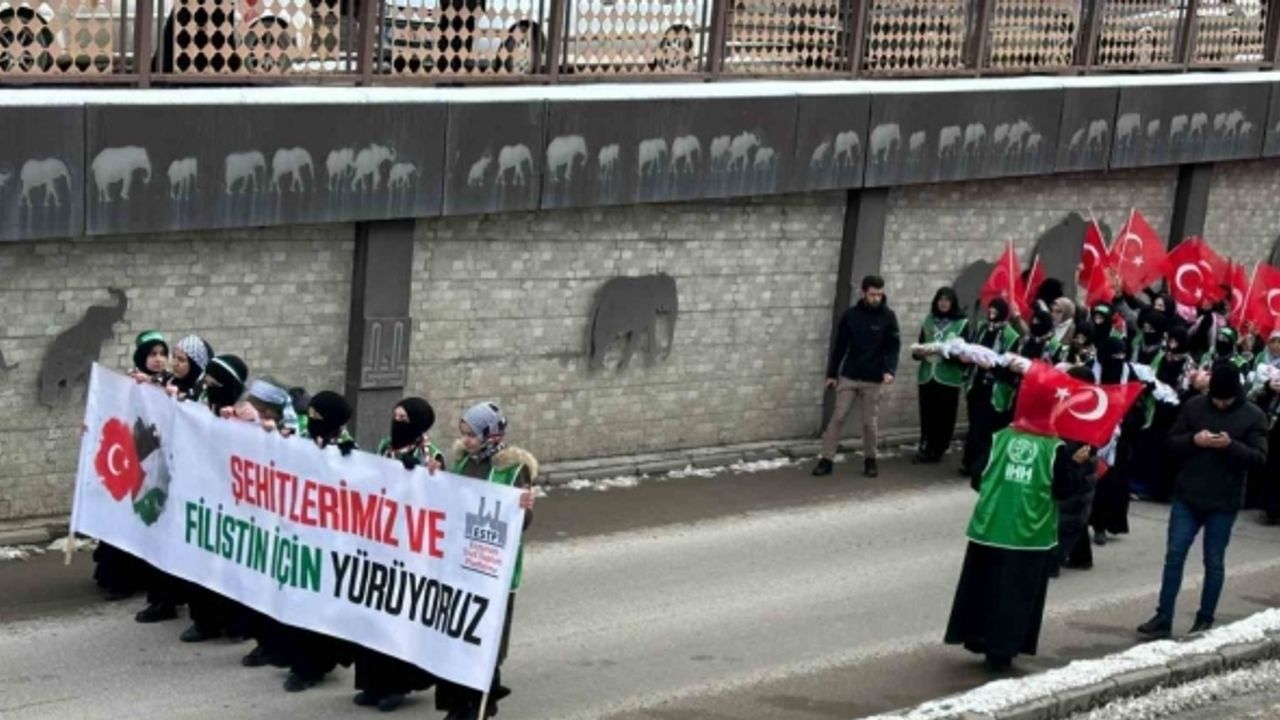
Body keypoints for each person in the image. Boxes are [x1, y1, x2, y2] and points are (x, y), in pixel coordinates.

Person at [1138, 362, 1268, 639]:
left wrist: (1231, 445)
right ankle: (1163, 616)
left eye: (1226, 400)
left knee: (1214, 560)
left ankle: (1205, 618)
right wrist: (1194, 440)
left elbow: (1259, 458)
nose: (1220, 404)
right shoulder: (1195, 406)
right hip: (1188, 494)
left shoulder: (1253, 415)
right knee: (1175, 555)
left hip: (1224, 500)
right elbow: (1171, 442)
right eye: (1216, 399)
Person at [945, 425, 1088, 670]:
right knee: (1015, 595)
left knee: (984, 588)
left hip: (991, 526)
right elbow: (1063, 490)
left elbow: (978, 478)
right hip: (1029, 534)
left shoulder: (999, 438)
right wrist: (1075, 464)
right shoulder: (1054, 448)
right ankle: (1001, 652)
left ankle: (979, 638)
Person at [434, 402, 537, 720]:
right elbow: (449, 500)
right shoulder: (463, 463)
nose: (466, 440)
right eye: (463, 433)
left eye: (472, 435)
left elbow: (521, 522)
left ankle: (480, 701)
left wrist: (525, 508)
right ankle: (457, 703)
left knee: (484, 636)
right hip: (461, 562)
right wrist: (433, 478)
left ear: (491, 434)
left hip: (493, 568)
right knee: (457, 632)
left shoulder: (513, 470)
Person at [352, 397, 446, 712]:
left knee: (398, 618)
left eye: (404, 419)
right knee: (373, 614)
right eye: (395, 416)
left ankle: (396, 685)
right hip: (380, 539)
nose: (397, 423)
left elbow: (440, 497)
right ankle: (372, 682)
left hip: (409, 548)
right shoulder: (385, 446)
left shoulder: (431, 455)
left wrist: (421, 475)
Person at [277, 390, 358, 692]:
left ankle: (313, 666)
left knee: (319, 606)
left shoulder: (348, 452)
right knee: (298, 601)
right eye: (309, 415)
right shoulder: (301, 443)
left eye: (318, 418)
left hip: (330, 543)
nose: (311, 422)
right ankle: (299, 658)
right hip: (300, 536)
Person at [93, 331, 172, 602]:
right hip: (131, 461)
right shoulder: (127, 383)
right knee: (125, 521)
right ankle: (119, 579)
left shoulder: (170, 385)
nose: (159, 359)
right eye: (153, 354)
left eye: (163, 354)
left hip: (156, 464)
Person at [181, 354, 250, 644]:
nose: (208, 385)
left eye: (215, 381)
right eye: (207, 380)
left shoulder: (247, 413)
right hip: (204, 496)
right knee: (202, 562)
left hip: (236, 503)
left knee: (233, 566)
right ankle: (205, 621)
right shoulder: (201, 405)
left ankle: (236, 623)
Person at [814, 275, 901, 479]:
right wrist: (832, 373)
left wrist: (889, 370)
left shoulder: (888, 317)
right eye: (872, 294)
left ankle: (870, 460)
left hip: (874, 378)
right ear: (863, 293)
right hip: (850, 375)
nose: (876, 298)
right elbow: (840, 346)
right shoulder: (851, 315)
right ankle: (826, 459)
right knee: (838, 417)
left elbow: (893, 347)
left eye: (879, 294)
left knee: (869, 422)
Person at [959, 298, 1021, 477]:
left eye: (996, 312)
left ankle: (981, 465)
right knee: (974, 425)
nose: (992, 315)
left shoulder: (1011, 336)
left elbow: (1010, 368)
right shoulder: (982, 328)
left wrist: (992, 367)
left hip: (995, 388)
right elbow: (972, 346)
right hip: (976, 383)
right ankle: (970, 462)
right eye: (990, 311)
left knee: (985, 427)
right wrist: (966, 356)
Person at [1052, 366, 1100, 576]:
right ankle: (1081, 557)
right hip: (1075, 462)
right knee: (1076, 513)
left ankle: (1054, 561)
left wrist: (1075, 459)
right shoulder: (1075, 403)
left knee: (1069, 513)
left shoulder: (1091, 409)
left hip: (1080, 464)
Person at [912, 287, 968, 464]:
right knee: (927, 413)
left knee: (944, 415)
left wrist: (946, 353)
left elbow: (965, 354)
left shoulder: (962, 323)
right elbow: (920, 344)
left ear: (953, 303)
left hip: (948, 377)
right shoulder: (929, 320)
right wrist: (919, 352)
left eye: (947, 300)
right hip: (927, 374)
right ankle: (925, 446)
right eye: (940, 300)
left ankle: (938, 448)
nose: (943, 303)